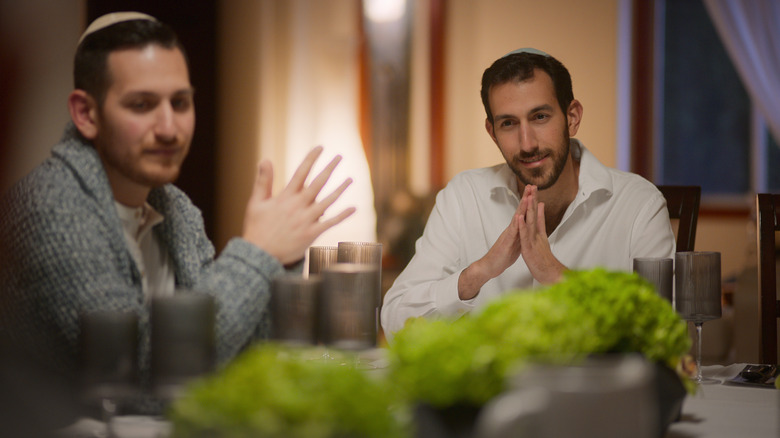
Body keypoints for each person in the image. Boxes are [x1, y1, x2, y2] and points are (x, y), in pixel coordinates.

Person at [0, 12, 355, 403]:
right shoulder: (49, 208)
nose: (169, 127)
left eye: (181, 102)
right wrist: (258, 253)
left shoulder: (177, 210)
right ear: (86, 114)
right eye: (141, 104)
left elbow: (236, 356)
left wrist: (282, 254)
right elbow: (142, 370)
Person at [381, 48, 675, 338]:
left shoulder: (638, 204)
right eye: (508, 123)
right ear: (492, 132)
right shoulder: (463, 196)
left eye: (540, 117)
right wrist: (478, 272)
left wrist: (557, 276)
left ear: (572, 117)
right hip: (492, 385)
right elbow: (394, 322)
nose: (526, 144)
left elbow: (663, 331)